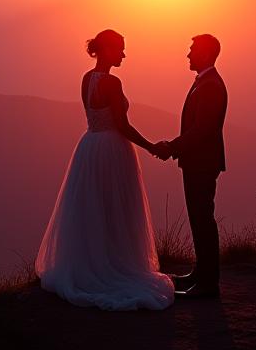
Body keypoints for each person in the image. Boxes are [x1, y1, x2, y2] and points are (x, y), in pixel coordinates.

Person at [36, 29, 174, 310]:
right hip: (112, 149)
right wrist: (151, 146)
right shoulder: (112, 82)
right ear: (107, 49)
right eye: (120, 49)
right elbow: (122, 126)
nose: (123, 54)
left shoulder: (87, 78)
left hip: (89, 147)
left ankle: (95, 262)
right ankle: (114, 263)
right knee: (116, 208)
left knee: (94, 208)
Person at [153, 34, 227, 299]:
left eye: (192, 50)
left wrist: (171, 147)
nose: (188, 55)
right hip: (198, 162)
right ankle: (201, 274)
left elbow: (202, 130)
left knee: (203, 220)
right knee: (199, 219)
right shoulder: (206, 82)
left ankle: (208, 284)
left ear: (206, 55)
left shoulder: (210, 86)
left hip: (202, 163)